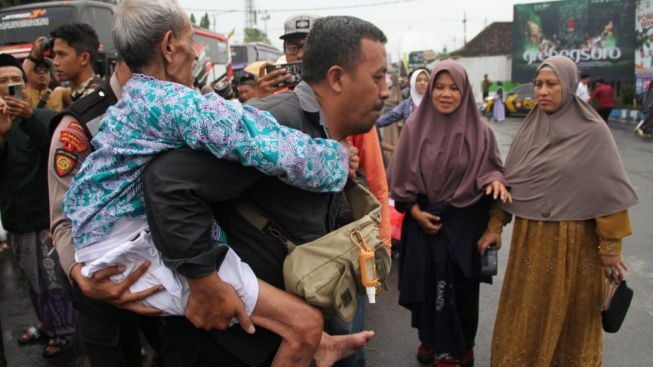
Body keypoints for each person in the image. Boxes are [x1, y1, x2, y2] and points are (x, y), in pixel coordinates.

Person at [64, 1, 370, 366]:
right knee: (303, 322)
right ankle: (312, 341)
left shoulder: (138, 99)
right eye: (192, 41)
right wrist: (335, 161)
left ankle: (317, 344)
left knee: (292, 325)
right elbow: (259, 142)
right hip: (126, 256)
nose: (196, 54)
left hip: (110, 246)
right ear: (168, 46)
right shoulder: (169, 103)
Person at [141, 15, 390, 366]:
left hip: (276, 338)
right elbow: (166, 181)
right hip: (228, 345)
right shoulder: (271, 123)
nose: (385, 90)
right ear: (336, 78)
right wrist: (204, 281)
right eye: (378, 77)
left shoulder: (326, 129)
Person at [478, 56, 638, 366]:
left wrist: (610, 249)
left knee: (572, 318)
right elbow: (513, 184)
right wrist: (495, 226)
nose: (543, 91)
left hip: (576, 246)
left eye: (552, 84)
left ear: (568, 85)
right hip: (531, 244)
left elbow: (608, 193)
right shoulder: (529, 131)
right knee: (528, 313)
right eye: (538, 84)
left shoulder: (593, 133)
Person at [388, 60, 510, 367]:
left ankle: (460, 350)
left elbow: (492, 168)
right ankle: (430, 341)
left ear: (465, 92)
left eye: (454, 88)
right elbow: (402, 177)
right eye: (439, 87)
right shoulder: (415, 126)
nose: (445, 94)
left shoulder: (480, 131)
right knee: (426, 287)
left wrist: (495, 179)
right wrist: (414, 211)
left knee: (462, 292)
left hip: (464, 226)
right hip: (423, 223)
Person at [49, 60, 165, 367]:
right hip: (101, 285)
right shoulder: (82, 124)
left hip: (158, 274)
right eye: (183, 52)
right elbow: (62, 219)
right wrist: (81, 277)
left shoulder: (167, 107)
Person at [0, 54, 77, 358]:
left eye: (15, 81)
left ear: (26, 83)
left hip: (45, 219)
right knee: (32, 282)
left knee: (54, 281)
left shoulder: (43, 117)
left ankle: (65, 332)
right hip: (16, 220)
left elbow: (58, 158)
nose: (9, 87)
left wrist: (28, 119)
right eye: (2, 82)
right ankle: (48, 323)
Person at [24, 23, 102, 108]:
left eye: (62, 54)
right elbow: (17, 84)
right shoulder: (76, 93)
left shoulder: (93, 97)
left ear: (84, 58)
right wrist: (34, 56)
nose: (55, 62)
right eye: (54, 55)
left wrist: (33, 58)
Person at [257, 14, 318, 97]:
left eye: (307, 46)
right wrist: (262, 100)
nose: (300, 55)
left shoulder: (336, 93)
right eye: (292, 47)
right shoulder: (276, 95)